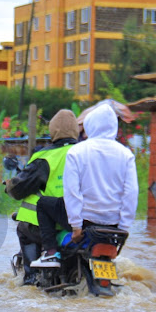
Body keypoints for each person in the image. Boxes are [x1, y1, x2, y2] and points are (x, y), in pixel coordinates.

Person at [32, 103, 138, 268]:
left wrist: (76, 227)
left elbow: (72, 192)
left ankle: (50, 253)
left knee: (43, 203)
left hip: (86, 221)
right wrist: (123, 228)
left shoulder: (77, 151)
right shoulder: (126, 154)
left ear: (90, 124)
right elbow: (131, 193)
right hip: (113, 225)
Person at [5, 109, 79, 283]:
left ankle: (31, 279)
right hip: (83, 222)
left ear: (53, 131)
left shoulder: (45, 156)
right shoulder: (86, 152)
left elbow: (20, 188)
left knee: (24, 229)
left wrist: (9, 186)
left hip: (50, 224)